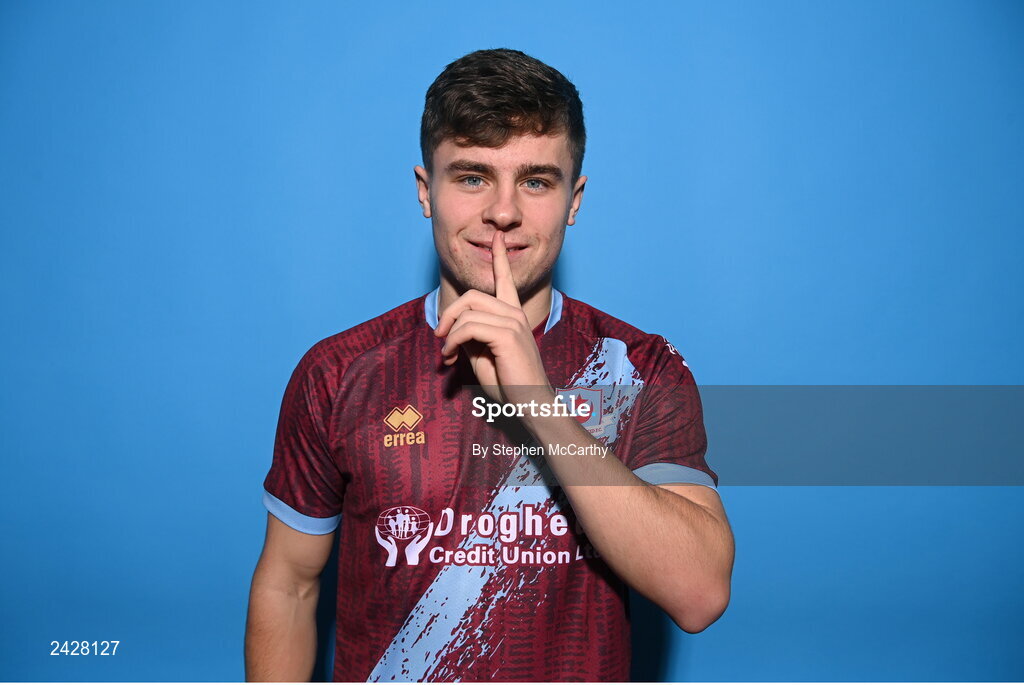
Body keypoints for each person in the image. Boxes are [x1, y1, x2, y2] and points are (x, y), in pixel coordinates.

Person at [244, 48, 735, 682]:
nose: (502, 212)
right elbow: (289, 585)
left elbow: (698, 595)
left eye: (535, 181)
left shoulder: (639, 369)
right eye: (472, 176)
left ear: (574, 200)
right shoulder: (340, 372)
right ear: (427, 192)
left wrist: (537, 404)